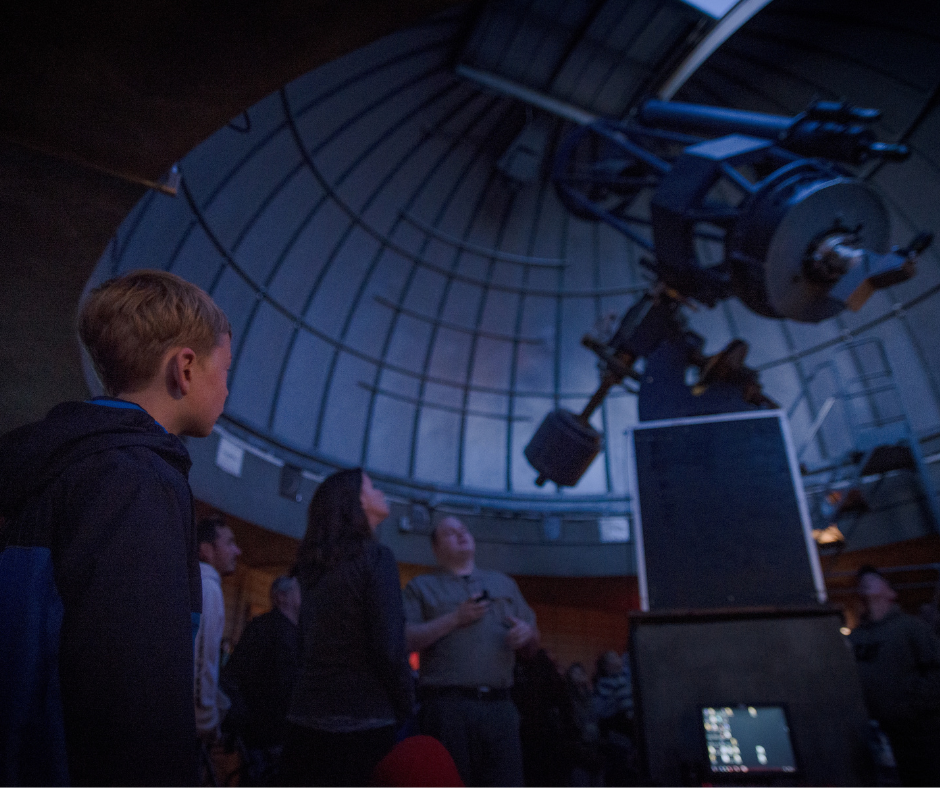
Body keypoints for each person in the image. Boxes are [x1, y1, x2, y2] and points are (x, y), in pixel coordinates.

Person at [0, 269, 231, 786]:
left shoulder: (61, 461)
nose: (226, 389)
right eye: (225, 370)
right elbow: (131, 691)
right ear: (185, 368)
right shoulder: (137, 479)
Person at [280, 468, 415, 787]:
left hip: (304, 718)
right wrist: (405, 703)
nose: (381, 493)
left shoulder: (311, 566)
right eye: (372, 487)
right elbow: (389, 646)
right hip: (364, 723)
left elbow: (304, 643)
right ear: (357, 501)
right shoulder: (377, 558)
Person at [403, 516, 539, 787]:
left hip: (500, 706)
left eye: (464, 529)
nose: (461, 534)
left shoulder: (504, 584)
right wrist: (455, 618)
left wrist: (527, 634)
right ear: (436, 548)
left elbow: (534, 642)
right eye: (450, 533)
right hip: (447, 708)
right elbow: (405, 640)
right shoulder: (421, 587)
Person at [849, 565, 940, 786]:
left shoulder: (911, 627)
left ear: (891, 593)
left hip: (918, 734)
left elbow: (936, 670)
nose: (866, 581)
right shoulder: (855, 638)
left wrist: (912, 706)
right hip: (875, 736)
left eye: (875, 579)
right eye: (862, 581)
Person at [221, 575, 302, 785]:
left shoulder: (293, 633)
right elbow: (236, 675)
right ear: (281, 597)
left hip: (275, 731)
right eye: (297, 589)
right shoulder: (264, 629)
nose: (303, 594)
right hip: (265, 733)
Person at [195, 515, 241, 742]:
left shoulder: (197, 583)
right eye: (229, 543)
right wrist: (205, 720)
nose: (237, 551)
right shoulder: (208, 587)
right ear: (206, 550)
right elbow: (201, 660)